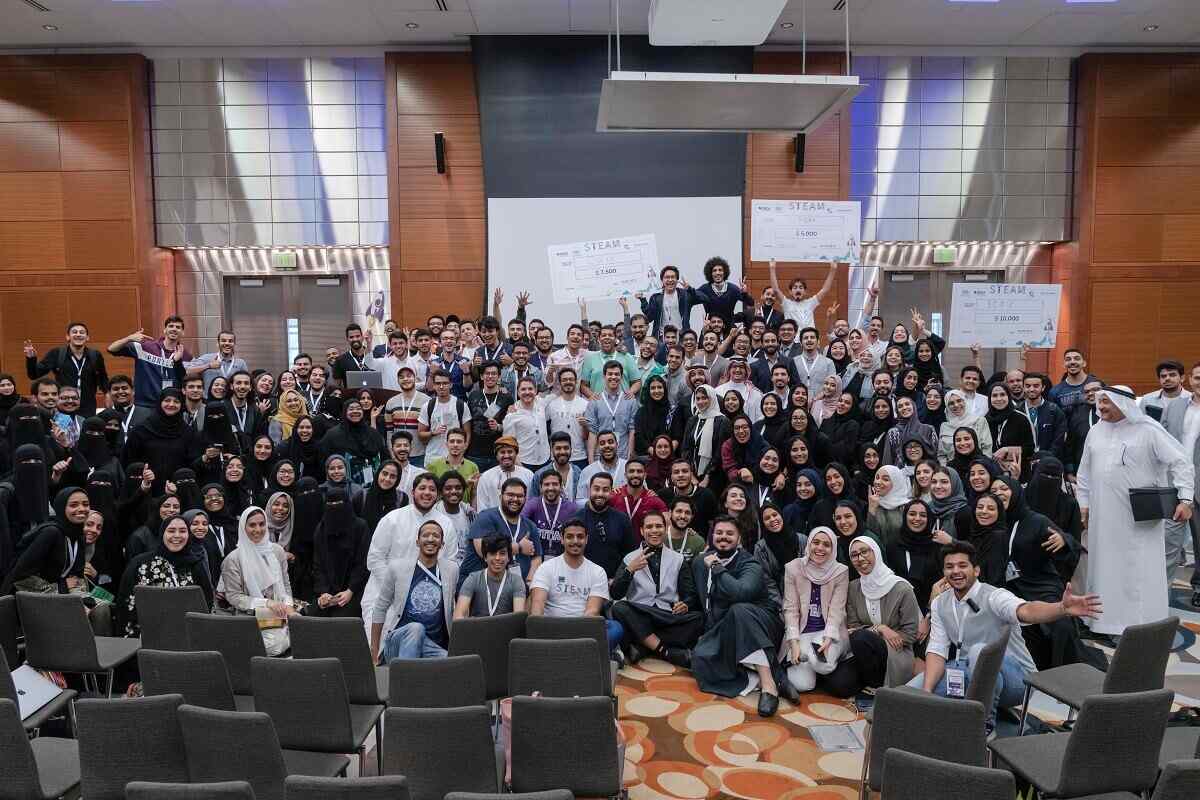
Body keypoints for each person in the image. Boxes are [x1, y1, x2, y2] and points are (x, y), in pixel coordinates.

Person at [909, 541, 1102, 731]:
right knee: (912, 692)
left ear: (976, 570)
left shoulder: (994, 596)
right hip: (967, 671)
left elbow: (1027, 610)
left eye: (962, 565)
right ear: (944, 572)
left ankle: (983, 726)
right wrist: (927, 692)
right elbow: (937, 651)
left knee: (979, 651)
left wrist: (1061, 608)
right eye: (949, 567)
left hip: (1018, 680)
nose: (956, 571)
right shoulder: (940, 603)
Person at [1078, 385, 1194, 636]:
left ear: (1124, 404)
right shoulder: (1095, 431)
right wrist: (1083, 504)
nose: (1101, 407)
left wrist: (1185, 499)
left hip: (1138, 519)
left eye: (1107, 402)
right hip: (1103, 517)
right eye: (1100, 401)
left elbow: (1181, 461)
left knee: (1135, 571)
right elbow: (1084, 471)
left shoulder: (1148, 430)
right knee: (1103, 569)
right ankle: (1101, 622)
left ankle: (1135, 625)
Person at [690, 516, 786, 716]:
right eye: (719, 533)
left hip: (762, 624)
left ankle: (769, 684)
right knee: (700, 658)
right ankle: (764, 678)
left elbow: (740, 593)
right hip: (727, 624)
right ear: (712, 536)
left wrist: (717, 567)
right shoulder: (700, 562)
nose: (723, 537)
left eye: (729, 533)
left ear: (739, 538)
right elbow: (702, 599)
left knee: (739, 609)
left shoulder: (750, 563)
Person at [610, 509, 702, 665]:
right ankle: (666, 651)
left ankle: (643, 646)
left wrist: (685, 604)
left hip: (666, 615)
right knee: (619, 608)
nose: (654, 530)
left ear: (665, 529)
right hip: (639, 614)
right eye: (649, 527)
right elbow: (615, 594)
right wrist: (629, 570)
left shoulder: (678, 559)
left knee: (698, 618)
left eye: (658, 526)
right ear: (641, 531)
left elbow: (690, 594)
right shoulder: (630, 558)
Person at [371, 519, 459, 663]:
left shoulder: (452, 570)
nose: (430, 539)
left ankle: (410, 669)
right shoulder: (397, 568)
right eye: (425, 535)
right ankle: (405, 676)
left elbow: (458, 609)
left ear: (442, 544)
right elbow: (380, 607)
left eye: (436, 536)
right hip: (398, 642)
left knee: (455, 664)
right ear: (417, 542)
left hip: (432, 646)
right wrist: (374, 651)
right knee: (416, 629)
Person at [529, 518, 622, 652]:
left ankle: (575, 650)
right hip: (552, 627)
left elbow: (592, 611)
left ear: (586, 539)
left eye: (580, 537)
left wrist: (575, 632)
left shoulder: (598, 571)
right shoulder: (546, 567)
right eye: (570, 537)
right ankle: (586, 652)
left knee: (615, 628)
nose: (575, 541)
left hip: (583, 628)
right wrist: (540, 630)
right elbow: (538, 604)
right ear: (562, 539)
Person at [780, 527, 851, 697]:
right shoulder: (793, 568)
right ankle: (809, 664)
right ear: (809, 544)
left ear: (833, 548)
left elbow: (837, 610)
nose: (820, 548)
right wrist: (794, 643)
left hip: (828, 631)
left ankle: (819, 664)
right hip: (803, 631)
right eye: (816, 542)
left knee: (822, 664)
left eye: (826, 544)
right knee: (803, 685)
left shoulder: (840, 571)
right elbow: (790, 608)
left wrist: (829, 637)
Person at [218, 506, 299, 656]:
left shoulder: (277, 551)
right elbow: (234, 597)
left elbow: (285, 584)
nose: (258, 529)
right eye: (252, 525)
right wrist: (266, 603)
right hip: (250, 617)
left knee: (302, 637)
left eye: (262, 524)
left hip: (281, 612)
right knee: (274, 648)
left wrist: (288, 607)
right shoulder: (233, 559)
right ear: (243, 528)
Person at [116, 515, 214, 637]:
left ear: (189, 535)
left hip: (187, 635)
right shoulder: (140, 564)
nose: (177, 535)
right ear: (162, 533)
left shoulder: (196, 565)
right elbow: (125, 603)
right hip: (146, 635)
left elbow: (206, 603)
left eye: (182, 531)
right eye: (171, 531)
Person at [845, 536, 921, 691]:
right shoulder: (853, 588)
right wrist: (880, 629)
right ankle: (871, 684)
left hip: (895, 652)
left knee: (861, 638)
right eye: (854, 555)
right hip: (863, 652)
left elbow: (910, 634)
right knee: (840, 685)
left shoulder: (901, 588)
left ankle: (875, 686)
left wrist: (878, 639)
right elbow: (853, 627)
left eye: (864, 551)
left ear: (876, 552)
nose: (860, 558)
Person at [1160, 363, 1200, 608]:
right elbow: (1161, 437)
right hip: (1175, 483)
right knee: (1169, 542)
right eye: (1198, 377)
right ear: (1190, 380)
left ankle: (1199, 587)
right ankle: (1159, 592)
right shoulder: (1175, 406)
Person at [462, 477, 542, 586]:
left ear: (525, 499)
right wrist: (519, 547)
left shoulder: (530, 525)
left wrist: (529, 581)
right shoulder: (486, 517)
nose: (515, 499)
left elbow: (537, 557)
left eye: (520, 496)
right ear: (500, 496)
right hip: (479, 587)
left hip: (517, 588)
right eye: (510, 495)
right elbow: (483, 550)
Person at [122, 389, 201, 495]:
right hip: (145, 491)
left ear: (182, 405)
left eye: (176, 401)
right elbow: (128, 460)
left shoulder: (188, 433)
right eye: (167, 400)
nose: (171, 404)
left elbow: (192, 463)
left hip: (177, 492)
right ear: (160, 403)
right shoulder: (141, 430)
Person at [24, 322, 109, 416]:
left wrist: (107, 393)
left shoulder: (95, 355)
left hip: (88, 405)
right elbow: (34, 375)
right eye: (74, 332)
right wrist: (31, 359)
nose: (78, 334)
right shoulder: (57, 353)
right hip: (63, 405)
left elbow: (103, 377)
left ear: (87, 337)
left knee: (87, 425)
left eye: (82, 332)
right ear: (68, 337)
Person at [312, 488, 370, 618]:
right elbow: (318, 564)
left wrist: (350, 590)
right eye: (330, 504)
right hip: (328, 592)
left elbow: (363, 563)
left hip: (355, 590)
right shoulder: (321, 529)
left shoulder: (360, 527)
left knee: (341, 620)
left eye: (338, 504)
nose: (334, 508)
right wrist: (323, 592)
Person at [107, 318, 192, 407]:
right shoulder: (146, 347)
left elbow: (185, 381)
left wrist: (177, 362)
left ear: (183, 332)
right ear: (164, 330)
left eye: (178, 327)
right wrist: (129, 338)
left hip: (170, 405)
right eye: (171, 326)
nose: (174, 329)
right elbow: (111, 349)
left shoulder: (186, 355)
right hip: (144, 404)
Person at [572, 472, 637, 579]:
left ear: (611, 492)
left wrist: (618, 579)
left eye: (605, 490)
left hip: (613, 582)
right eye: (596, 489)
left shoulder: (622, 519)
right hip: (582, 580)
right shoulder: (576, 519)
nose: (600, 493)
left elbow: (629, 555)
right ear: (589, 490)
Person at [454, 536, 527, 618]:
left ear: (509, 558)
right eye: (493, 553)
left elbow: (518, 617)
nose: (497, 558)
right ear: (485, 557)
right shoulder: (473, 578)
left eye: (502, 553)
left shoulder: (516, 581)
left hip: (507, 626)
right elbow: (459, 614)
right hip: (477, 626)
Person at [522, 469, 578, 560]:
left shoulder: (572, 508)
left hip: (562, 559)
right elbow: (520, 524)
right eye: (547, 484)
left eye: (555, 484)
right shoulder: (532, 504)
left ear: (561, 487)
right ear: (540, 487)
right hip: (536, 558)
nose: (551, 488)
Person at [611, 458, 668, 539]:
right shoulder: (614, 496)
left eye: (639, 471)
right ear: (625, 475)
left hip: (643, 546)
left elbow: (667, 526)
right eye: (631, 471)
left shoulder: (654, 500)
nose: (635, 475)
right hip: (616, 545)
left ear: (645, 475)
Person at [474, 436, 534, 511]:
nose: (506, 456)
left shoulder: (528, 475)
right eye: (502, 452)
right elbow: (482, 506)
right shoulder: (486, 477)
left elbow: (531, 503)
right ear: (497, 456)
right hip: (493, 518)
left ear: (516, 454)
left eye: (510, 452)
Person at [637, 265, 699, 336]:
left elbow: (703, 298)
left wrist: (690, 289)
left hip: (681, 335)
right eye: (667, 277)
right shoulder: (656, 297)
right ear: (662, 280)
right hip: (661, 336)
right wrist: (643, 300)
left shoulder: (685, 295)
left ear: (677, 280)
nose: (670, 280)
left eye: (673, 277)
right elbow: (649, 318)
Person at [938, 389, 994, 463]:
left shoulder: (979, 421)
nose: (956, 405)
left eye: (959, 401)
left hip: (978, 466)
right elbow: (941, 455)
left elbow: (987, 448)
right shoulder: (944, 426)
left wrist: (982, 466)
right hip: (952, 468)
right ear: (947, 407)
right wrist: (947, 469)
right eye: (951, 403)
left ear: (965, 401)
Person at [188, 330, 248, 395]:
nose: (227, 343)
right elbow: (187, 370)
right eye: (223, 341)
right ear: (218, 343)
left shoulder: (240, 363)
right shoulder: (207, 358)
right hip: (209, 399)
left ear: (234, 344)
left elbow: (246, 382)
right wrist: (208, 366)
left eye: (230, 341)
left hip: (229, 399)